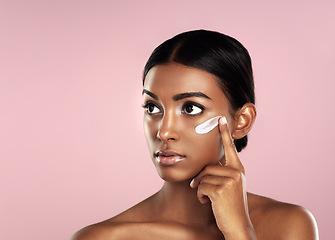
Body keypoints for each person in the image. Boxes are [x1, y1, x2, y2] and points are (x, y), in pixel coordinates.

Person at [72, 30, 318, 239]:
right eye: (152, 108)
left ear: (241, 121)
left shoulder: (289, 226)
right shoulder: (102, 238)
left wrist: (240, 232)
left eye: (190, 108)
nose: (164, 131)